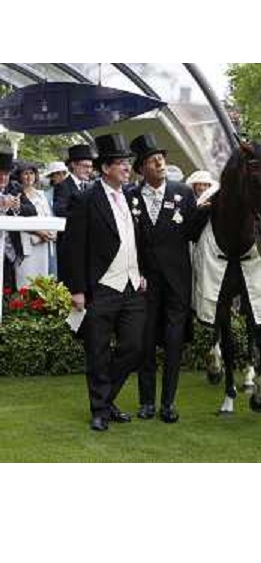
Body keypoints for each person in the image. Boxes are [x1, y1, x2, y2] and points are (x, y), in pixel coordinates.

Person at [61, 134, 146, 432]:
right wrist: (77, 290)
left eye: (128, 163)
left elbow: (138, 240)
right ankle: (99, 410)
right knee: (97, 351)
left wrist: (142, 271)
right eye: (122, 163)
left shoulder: (133, 196)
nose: (127, 168)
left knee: (134, 346)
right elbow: (72, 247)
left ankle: (106, 399)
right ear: (106, 167)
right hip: (101, 287)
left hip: (133, 285)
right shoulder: (84, 199)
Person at [129, 133, 206, 423]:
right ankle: (147, 402)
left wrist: (205, 212)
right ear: (142, 168)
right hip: (146, 282)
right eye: (152, 159)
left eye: (161, 157)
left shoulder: (183, 193)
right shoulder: (130, 197)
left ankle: (168, 403)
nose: (160, 162)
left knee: (174, 343)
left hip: (177, 282)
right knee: (145, 342)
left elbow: (192, 233)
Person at [53, 144, 95, 282]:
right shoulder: (63, 186)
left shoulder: (90, 187)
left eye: (90, 166)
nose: (89, 170)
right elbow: (60, 211)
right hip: (70, 244)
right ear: (73, 165)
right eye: (85, 166)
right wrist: (84, 217)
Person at [13, 161, 56, 288]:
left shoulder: (41, 195)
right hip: (26, 245)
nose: (29, 177)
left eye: (31, 173)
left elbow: (49, 217)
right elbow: (17, 220)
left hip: (43, 243)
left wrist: (51, 233)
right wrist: (38, 231)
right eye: (25, 173)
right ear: (20, 176)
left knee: (42, 281)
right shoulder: (16, 194)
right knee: (25, 281)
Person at [0, 150, 36, 291]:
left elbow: (33, 211)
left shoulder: (15, 188)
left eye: (7, 174)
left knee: (9, 292)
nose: (3, 178)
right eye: (0, 173)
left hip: (10, 252)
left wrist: (18, 206)